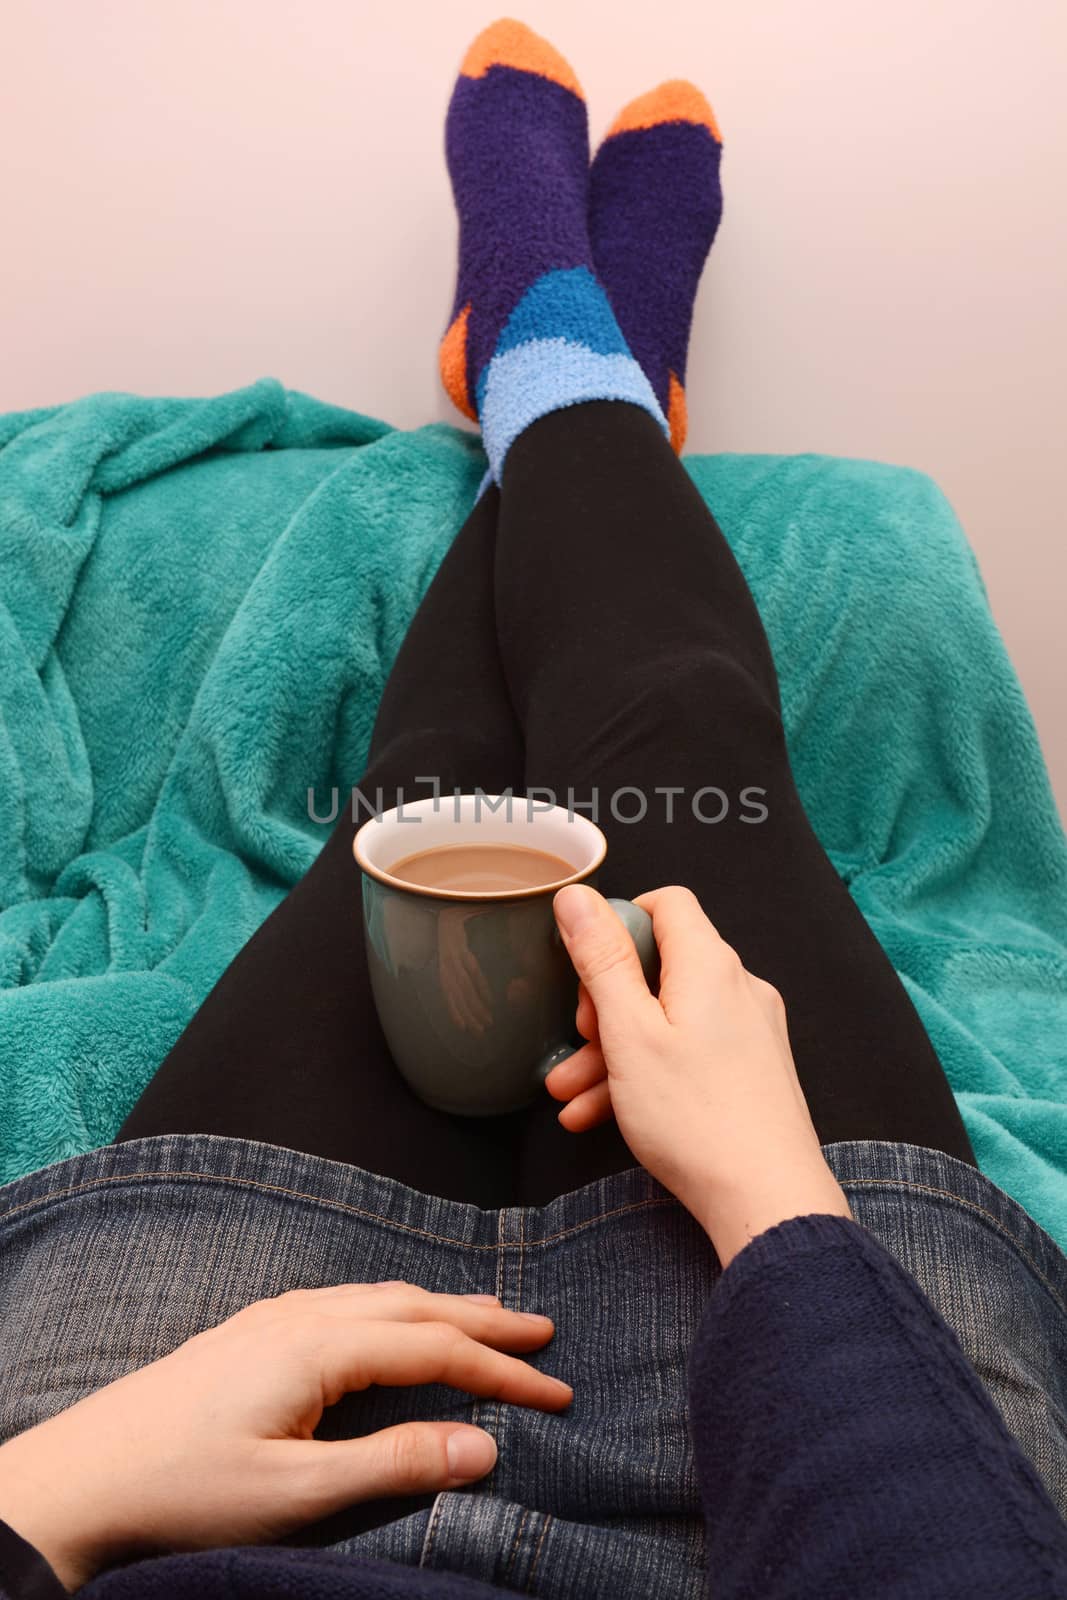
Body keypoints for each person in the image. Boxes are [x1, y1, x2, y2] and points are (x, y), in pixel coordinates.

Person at [0, 19, 1065, 1600]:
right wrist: (775, 1194)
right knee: (683, 723)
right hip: (831, 1418)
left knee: (424, 798)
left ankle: (550, 365)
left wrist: (39, 1496)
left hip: (165, 1420)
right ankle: (573, 374)